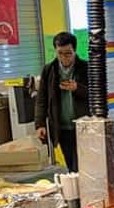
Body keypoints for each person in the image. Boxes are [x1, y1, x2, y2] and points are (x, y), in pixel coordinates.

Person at [35, 32, 88, 172]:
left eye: (68, 53)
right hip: (61, 127)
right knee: (70, 164)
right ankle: (75, 191)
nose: (64, 57)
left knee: (83, 164)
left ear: (75, 51)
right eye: (60, 53)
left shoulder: (86, 68)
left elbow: (97, 95)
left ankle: (83, 191)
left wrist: (78, 88)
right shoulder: (49, 70)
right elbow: (42, 99)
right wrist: (40, 124)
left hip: (83, 126)